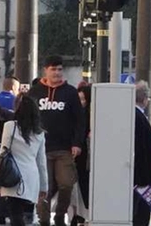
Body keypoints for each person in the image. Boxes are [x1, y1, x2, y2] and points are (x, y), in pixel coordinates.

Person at [27, 55, 87, 226]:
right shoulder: (35, 92)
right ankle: (44, 219)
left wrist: (77, 143)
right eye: (53, 69)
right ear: (45, 70)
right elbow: (26, 117)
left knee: (66, 184)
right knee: (44, 187)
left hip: (64, 148)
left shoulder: (70, 93)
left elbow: (79, 120)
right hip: (41, 149)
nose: (57, 73)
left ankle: (60, 215)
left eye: (60, 69)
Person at [0, 95, 49, 226]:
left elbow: (3, 153)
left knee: (15, 215)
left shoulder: (10, 127)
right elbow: (41, 162)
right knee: (27, 217)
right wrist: (44, 186)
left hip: (12, 177)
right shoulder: (39, 133)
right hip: (31, 178)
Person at [133, 81, 151, 226]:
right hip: (142, 179)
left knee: (147, 206)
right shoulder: (138, 117)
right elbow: (143, 148)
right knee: (142, 211)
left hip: (142, 178)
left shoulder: (137, 116)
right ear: (144, 98)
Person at [71, 83, 91, 226]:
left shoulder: (89, 115)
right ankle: (77, 215)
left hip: (85, 159)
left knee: (83, 187)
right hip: (77, 157)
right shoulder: (76, 115)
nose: (81, 103)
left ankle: (81, 216)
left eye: (84, 99)